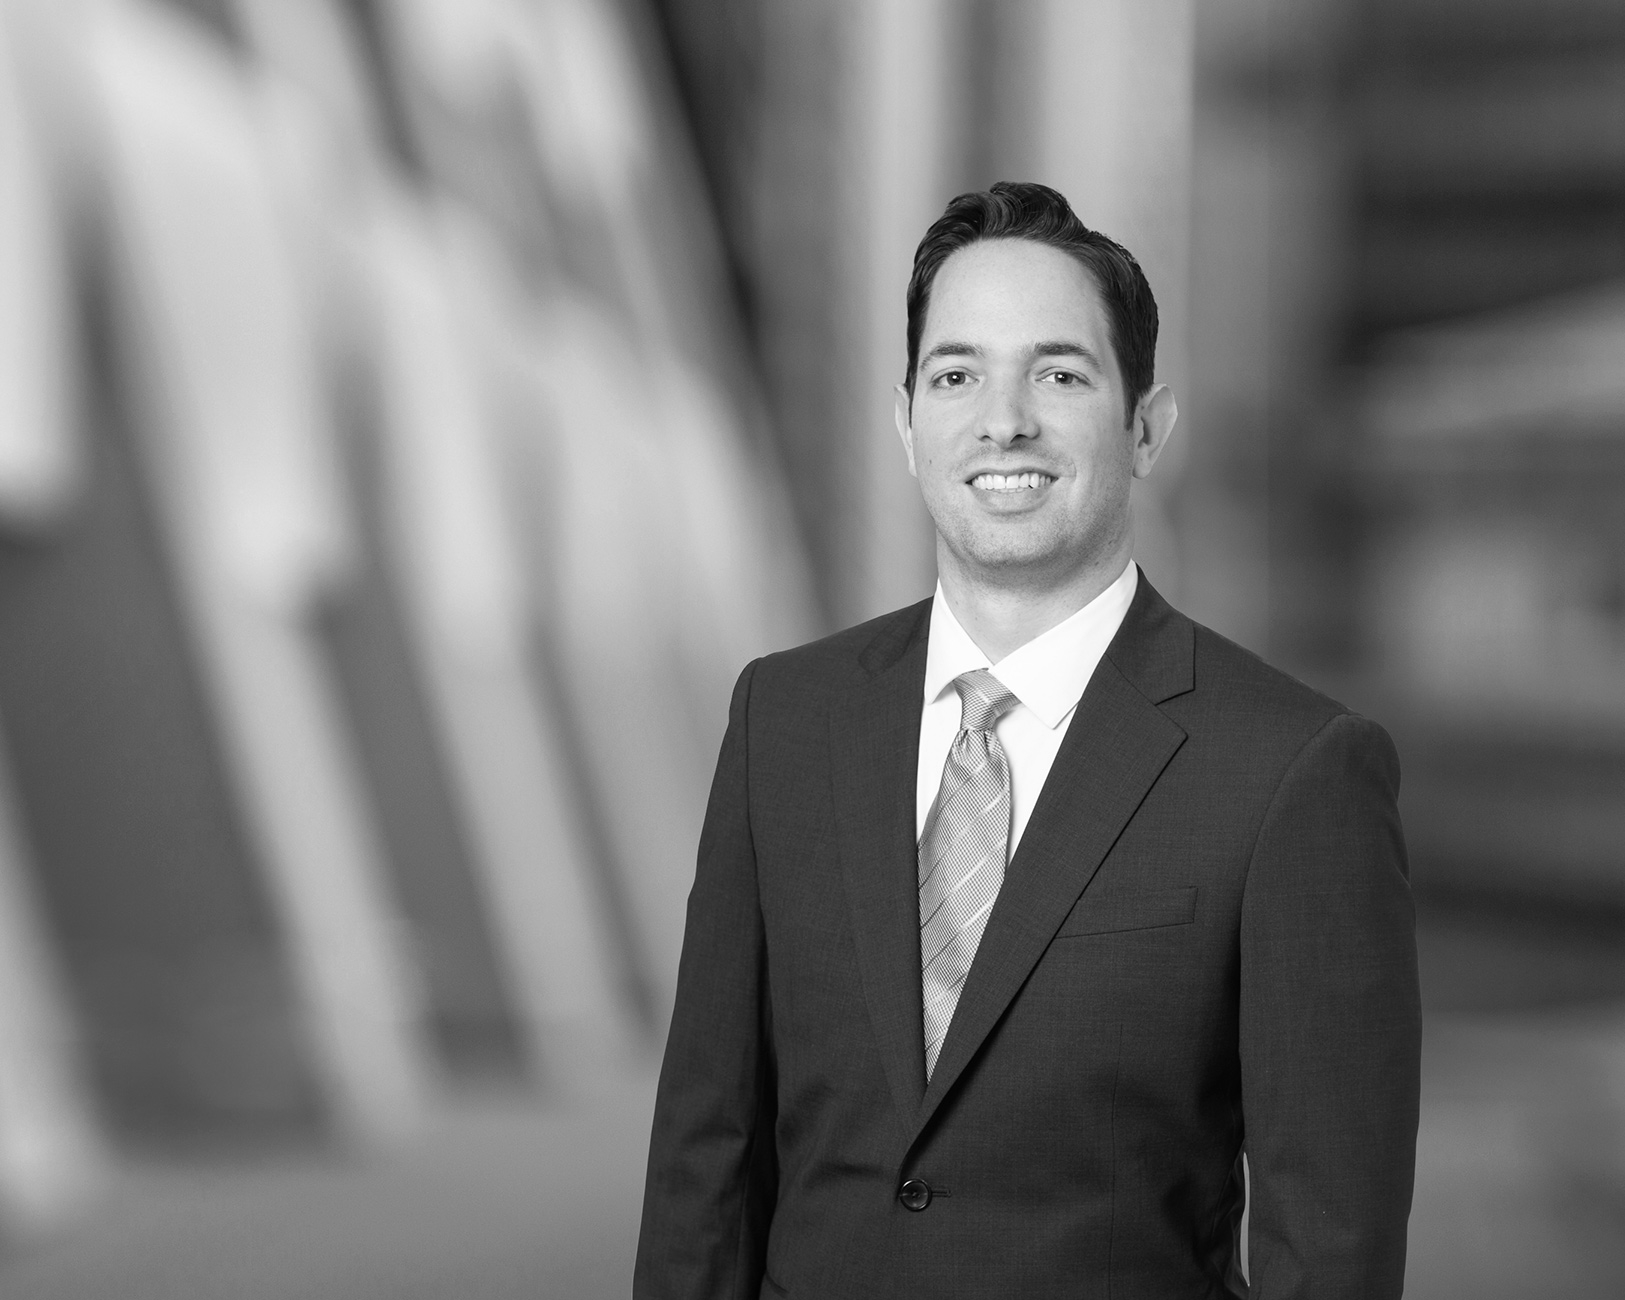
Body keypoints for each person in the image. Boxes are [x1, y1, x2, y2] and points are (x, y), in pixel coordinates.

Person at [634, 181, 1421, 1299]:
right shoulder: (784, 721)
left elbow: (1330, 1241)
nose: (1001, 421)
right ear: (907, 423)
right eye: (955, 376)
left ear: (1144, 427)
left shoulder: (1291, 769)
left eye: (1058, 374)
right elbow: (703, 1164)